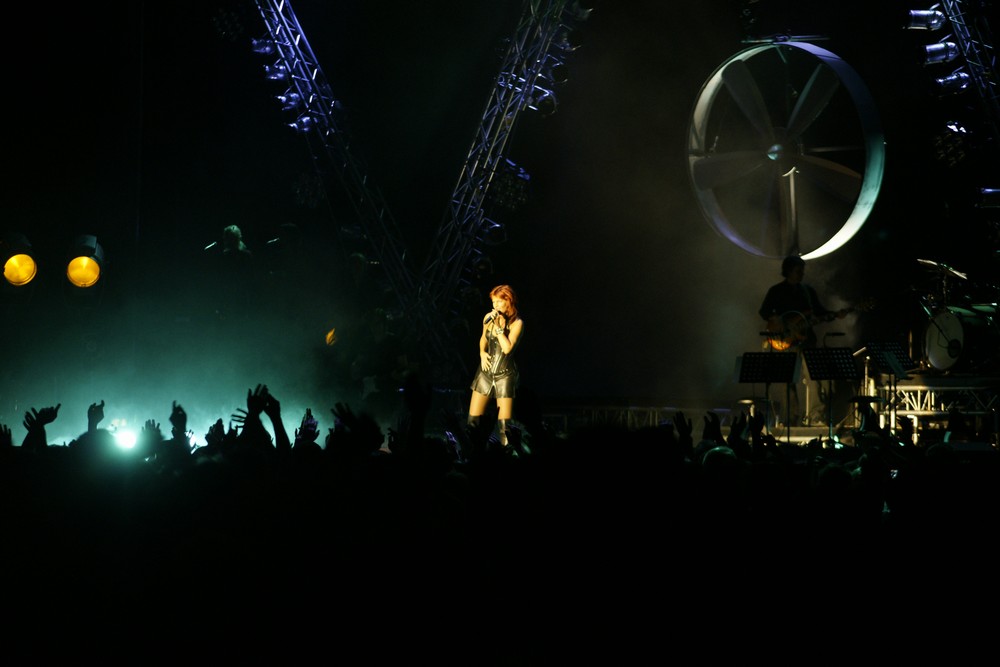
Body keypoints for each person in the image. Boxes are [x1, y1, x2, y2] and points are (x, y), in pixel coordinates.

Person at [759, 255, 847, 427]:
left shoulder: (807, 291)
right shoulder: (776, 291)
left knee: (815, 377)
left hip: (807, 340)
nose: (802, 274)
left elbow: (819, 312)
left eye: (802, 271)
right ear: (788, 271)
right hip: (785, 341)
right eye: (798, 271)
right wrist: (777, 320)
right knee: (787, 380)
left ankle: (816, 416)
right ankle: (790, 418)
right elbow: (764, 312)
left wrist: (836, 314)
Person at [467, 284, 524, 453]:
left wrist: (499, 328)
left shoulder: (517, 323)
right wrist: (482, 353)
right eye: (493, 302)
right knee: (473, 421)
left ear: (509, 301)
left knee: (504, 424)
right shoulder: (488, 318)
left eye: (499, 302)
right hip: (485, 373)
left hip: (505, 375)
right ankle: (474, 455)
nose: (495, 306)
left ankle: (507, 457)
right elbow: (483, 339)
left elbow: (507, 349)